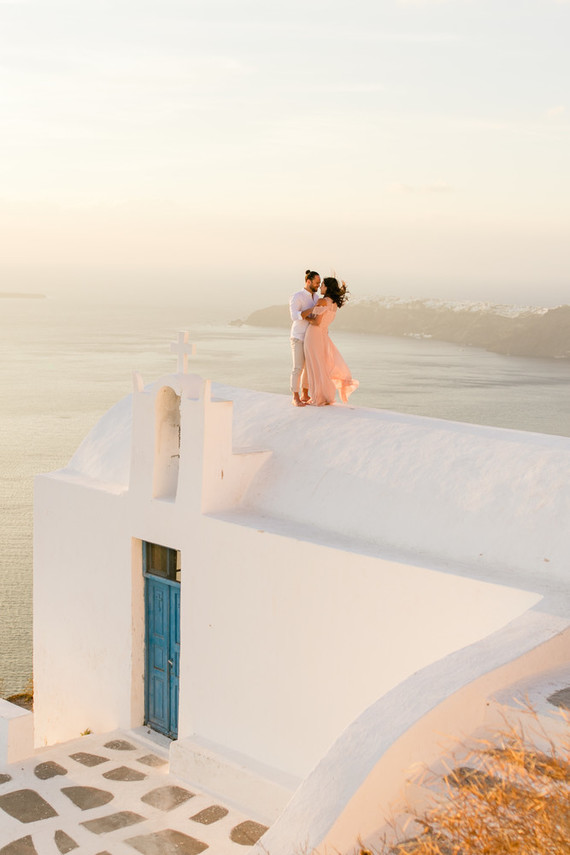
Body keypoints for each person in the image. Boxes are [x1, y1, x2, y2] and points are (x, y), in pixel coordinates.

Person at [303, 276, 359, 406]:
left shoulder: (323, 301)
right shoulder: (334, 304)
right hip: (323, 335)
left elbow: (316, 321)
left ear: (327, 287)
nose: (320, 287)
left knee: (314, 365)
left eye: (322, 285)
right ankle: (324, 396)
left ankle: (317, 397)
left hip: (314, 334)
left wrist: (304, 317)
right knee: (322, 365)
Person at [289, 270, 321, 406]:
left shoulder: (316, 297)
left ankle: (305, 394)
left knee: (308, 367)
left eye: (319, 283)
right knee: (298, 368)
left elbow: (315, 315)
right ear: (308, 281)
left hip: (310, 338)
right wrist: (311, 310)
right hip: (298, 337)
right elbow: (294, 316)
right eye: (316, 283)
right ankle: (295, 397)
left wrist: (310, 314)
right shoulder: (297, 296)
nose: (318, 285)